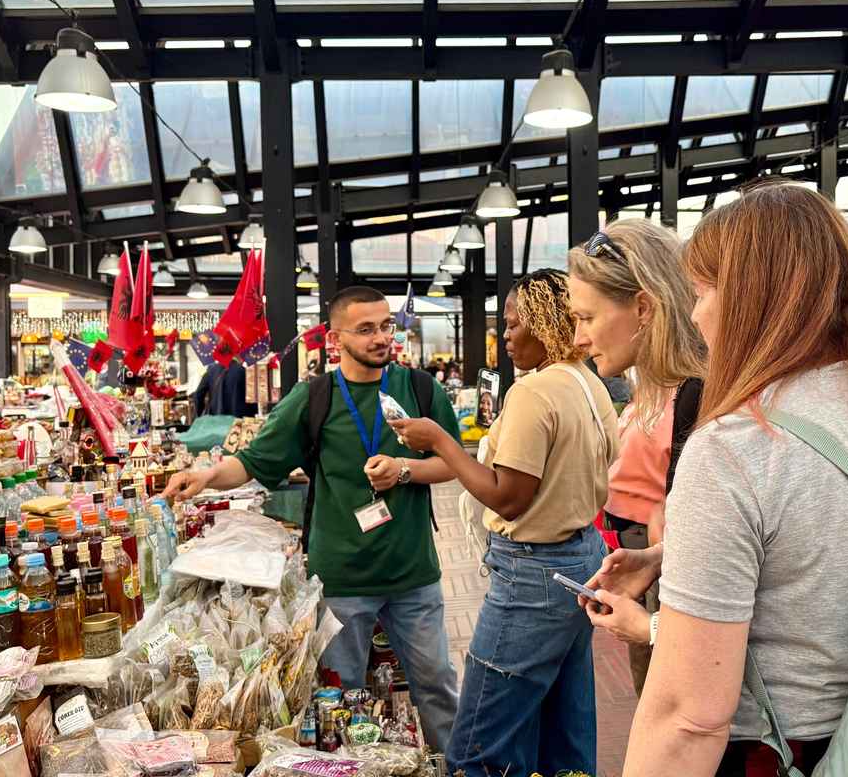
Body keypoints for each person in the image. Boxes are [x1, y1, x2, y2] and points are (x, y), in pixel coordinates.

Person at [601, 182, 848, 777]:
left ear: (750, 301)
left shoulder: (736, 449)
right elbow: (844, 547)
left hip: (789, 753)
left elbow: (690, 718)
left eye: (703, 292)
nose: (694, 313)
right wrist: (675, 556)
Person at [161, 287, 463, 750]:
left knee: (438, 687)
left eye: (386, 325)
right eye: (366, 329)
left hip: (413, 573)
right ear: (335, 339)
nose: (381, 337)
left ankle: (456, 765)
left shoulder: (421, 389)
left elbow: (455, 462)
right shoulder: (314, 398)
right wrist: (205, 477)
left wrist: (404, 469)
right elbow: (255, 461)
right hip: (341, 579)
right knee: (339, 700)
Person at [390, 269, 617, 777]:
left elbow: (508, 498)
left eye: (514, 324)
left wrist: (441, 441)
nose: (506, 336)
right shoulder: (588, 381)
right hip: (581, 556)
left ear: (545, 323)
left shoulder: (534, 392)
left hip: (532, 574)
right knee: (564, 727)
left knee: (478, 744)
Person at [565, 219, 704, 693]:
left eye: (586, 318)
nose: (578, 338)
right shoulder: (657, 385)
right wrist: (656, 559)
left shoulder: (697, 395)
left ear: (643, 308)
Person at [191, 360, 257, 418]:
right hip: (238, 420)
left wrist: (199, 413)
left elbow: (198, 395)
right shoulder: (243, 371)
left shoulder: (211, 371)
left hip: (216, 418)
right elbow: (252, 400)